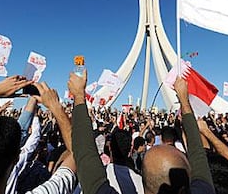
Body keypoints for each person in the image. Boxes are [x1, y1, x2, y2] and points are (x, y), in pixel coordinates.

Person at [69, 70, 215, 194]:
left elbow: (85, 154)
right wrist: (185, 101)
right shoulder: (204, 189)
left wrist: (79, 95)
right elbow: (198, 154)